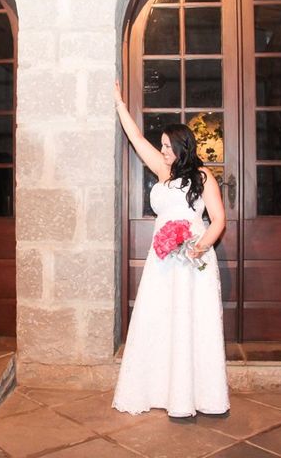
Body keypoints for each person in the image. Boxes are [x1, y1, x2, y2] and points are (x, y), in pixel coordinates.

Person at [112, 83, 229, 417]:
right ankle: (161, 391)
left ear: (181, 145)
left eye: (167, 146)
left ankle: (199, 396)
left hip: (193, 259)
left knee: (192, 321)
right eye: (161, 145)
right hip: (162, 260)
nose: (162, 151)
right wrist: (120, 104)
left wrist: (198, 247)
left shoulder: (203, 177)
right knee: (159, 317)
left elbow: (218, 220)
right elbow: (136, 140)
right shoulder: (162, 172)